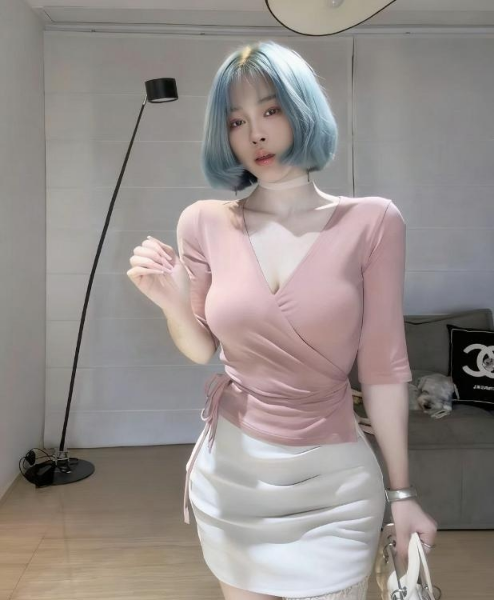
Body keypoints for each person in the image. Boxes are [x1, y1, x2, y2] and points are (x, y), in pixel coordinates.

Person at [127, 40, 437, 600]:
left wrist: (402, 494)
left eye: (271, 110)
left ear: (303, 110)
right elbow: (200, 348)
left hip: (335, 484)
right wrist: (171, 300)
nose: (256, 134)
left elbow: (384, 369)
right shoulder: (202, 222)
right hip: (234, 478)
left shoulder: (372, 222)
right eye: (237, 121)